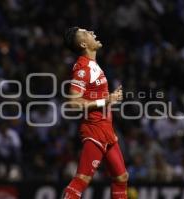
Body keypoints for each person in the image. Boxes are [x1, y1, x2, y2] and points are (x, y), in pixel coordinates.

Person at [63, 27, 128, 199]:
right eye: (86, 33)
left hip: (106, 129)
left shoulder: (94, 65)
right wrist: (106, 100)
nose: (92, 33)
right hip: (94, 129)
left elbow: (93, 95)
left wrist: (109, 97)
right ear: (84, 44)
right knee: (82, 179)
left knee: (121, 178)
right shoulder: (82, 68)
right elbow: (73, 103)